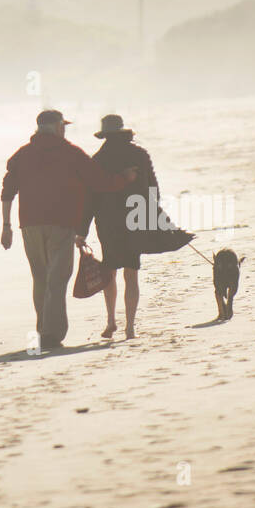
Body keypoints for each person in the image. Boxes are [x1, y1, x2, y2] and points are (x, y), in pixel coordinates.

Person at [0, 110, 137, 349]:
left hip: (29, 225)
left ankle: (43, 330)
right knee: (57, 278)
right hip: (61, 224)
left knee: (40, 277)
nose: (64, 129)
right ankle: (52, 335)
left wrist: (6, 226)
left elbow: (8, 191)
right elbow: (99, 181)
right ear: (56, 127)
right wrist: (124, 179)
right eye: (62, 126)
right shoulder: (70, 153)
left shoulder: (22, 155)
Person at [81, 114, 159, 340]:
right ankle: (130, 326)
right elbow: (153, 189)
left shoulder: (97, 159)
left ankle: (111, 321)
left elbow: (90, 197)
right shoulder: (140, 155)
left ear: (104, 134)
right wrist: (152, 216)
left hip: (107, 221)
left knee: (110, 269)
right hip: (134, 217)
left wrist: (82, 230)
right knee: (131, 272)